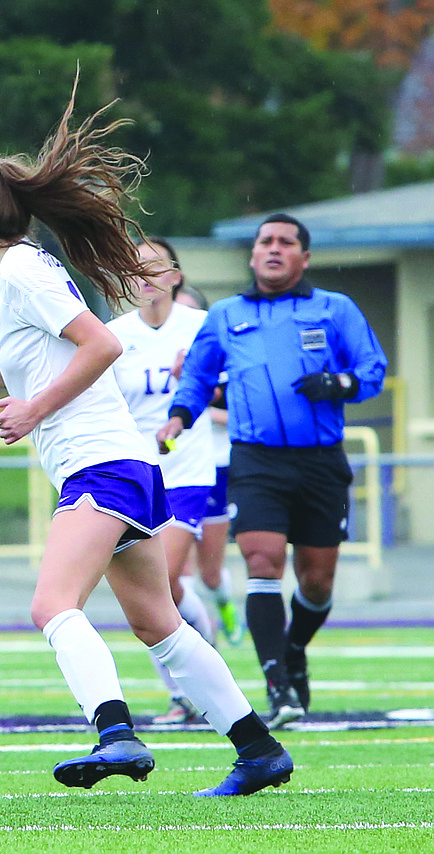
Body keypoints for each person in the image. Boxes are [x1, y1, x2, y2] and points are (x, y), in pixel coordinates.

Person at [0, 81, 292, 796]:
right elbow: (57, 348)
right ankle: (258, 748)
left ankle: (115, 733)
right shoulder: (24, 272)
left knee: (51, 606)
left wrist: (30, 410)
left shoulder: (22, 270)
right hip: (122, 463)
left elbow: (98, 347)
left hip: (101, 466)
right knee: (159, 624)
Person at [159, 214, 387, 729]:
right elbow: (196, 377)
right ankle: (277, 681)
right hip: (256, 461)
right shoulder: (226, 315)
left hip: (321, 462)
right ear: (252, 254)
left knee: (318, 581)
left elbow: (373, 370)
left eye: (287, 242)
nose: (274, 249)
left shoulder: (335, 309)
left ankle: (295, 648)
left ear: (304, 257)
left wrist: (340, 382)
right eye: (266, 241)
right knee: (262, 563)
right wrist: (177, 419)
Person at [106, 238, 220, 726]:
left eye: (153, 266)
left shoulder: (203, 328)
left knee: (165, 580)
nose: (143, 276)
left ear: (176, 276)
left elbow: (236, 387)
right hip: (137, 475)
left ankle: (195, 675)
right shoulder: (110, 336)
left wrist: (201, 380)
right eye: (134, 268)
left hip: (189, 472)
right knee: (157, 595)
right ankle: (182, 689)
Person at [175, 284, 244, 649]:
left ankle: (222, 602)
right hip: (171, 470)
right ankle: (202, 637)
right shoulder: (152, 353)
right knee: (175, 572)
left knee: (211, 572)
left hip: (215, 469)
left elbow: (239, 416)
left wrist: (194, 411)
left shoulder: (221, 359)